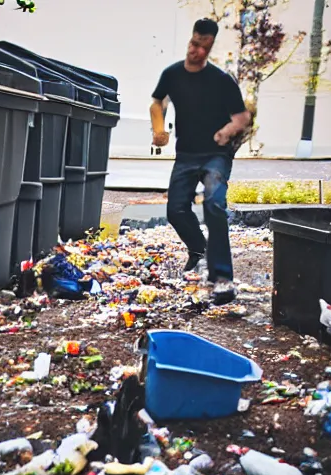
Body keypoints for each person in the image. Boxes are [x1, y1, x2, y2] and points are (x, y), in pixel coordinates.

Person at [149, 17, 251, 304]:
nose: (197, 51)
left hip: (216, 156)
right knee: (176, 210)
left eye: (204, 47)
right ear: (190, 41)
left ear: (210, 48)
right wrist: (159, 129)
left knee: (214, 204)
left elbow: (242, 118)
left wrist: (226, 131)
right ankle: (199, 249)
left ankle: (222, 279)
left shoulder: (221, 80)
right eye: (194, 44)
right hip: (186, 155)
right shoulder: (172, 74)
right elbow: (157, 102)